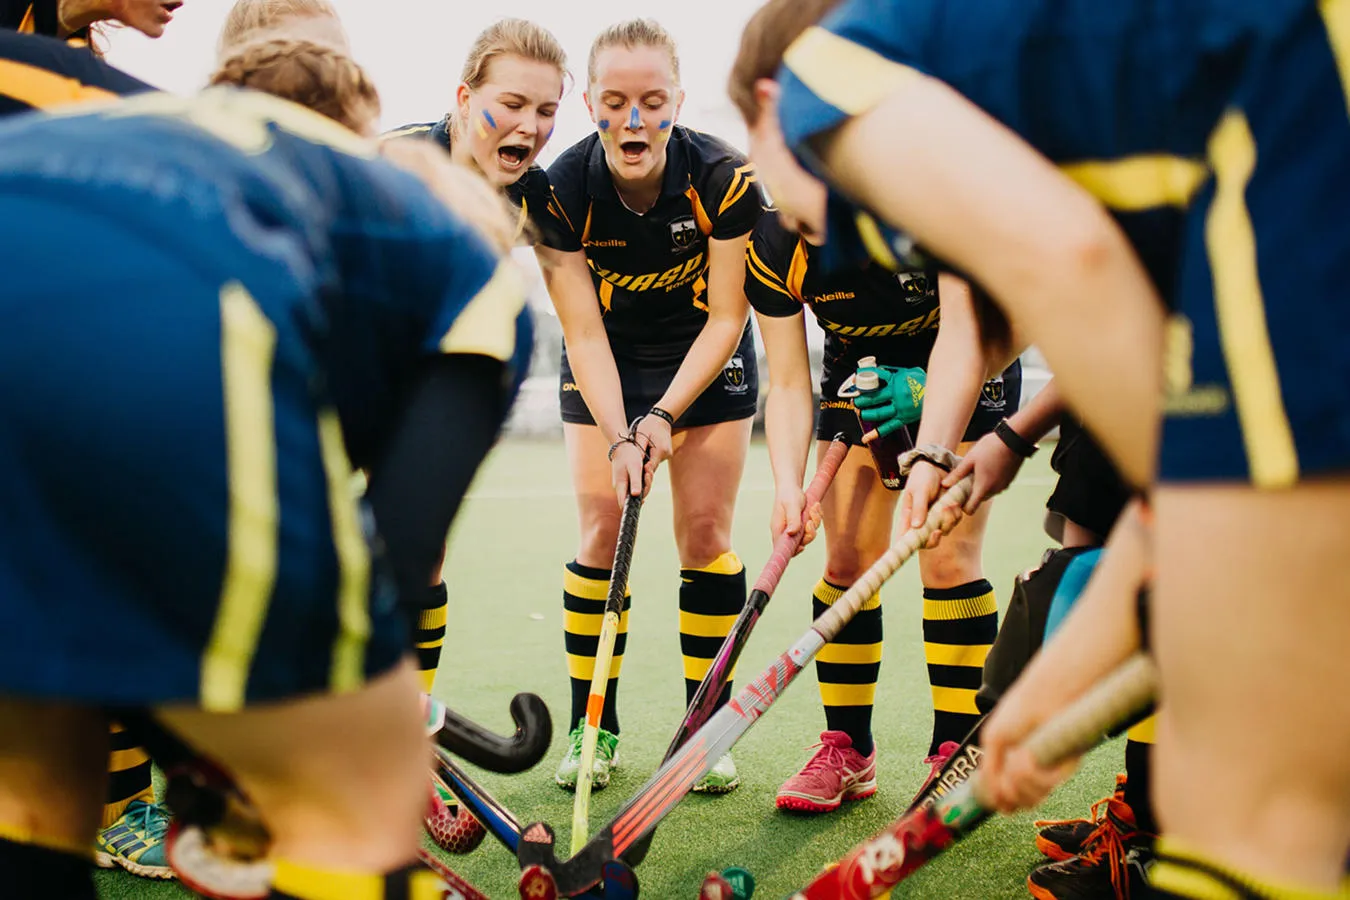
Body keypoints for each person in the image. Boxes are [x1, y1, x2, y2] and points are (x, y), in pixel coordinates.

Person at [733, 0, 1350, 897]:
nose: (807, 240)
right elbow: (1154, 437)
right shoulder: (1049, 114)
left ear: (767, 101)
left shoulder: (824, 83)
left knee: (1254, 798)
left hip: (1295, 115)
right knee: (1281, 805)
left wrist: (1187, 548)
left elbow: (1077, 269)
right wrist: (1049, 685)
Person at [0, 71, 530, 900]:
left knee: (28, 783)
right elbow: (388, 566)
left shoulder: (267, 173)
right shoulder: (469, 265)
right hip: (153, 324)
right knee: (359, 781)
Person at [539, 17, 764, 795]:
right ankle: (591, 727)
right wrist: (619, 431)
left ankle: (704, 731)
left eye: (653, 101)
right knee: (602, 531)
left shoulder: (722, 178)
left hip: (704, 361)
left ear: (678, 102)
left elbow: (727, 318)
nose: (634, 121)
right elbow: (583, 333)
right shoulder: (560, 193)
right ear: (589, 104)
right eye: (614, 101)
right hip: (606, 364)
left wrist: (664, 414)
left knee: (705, 533)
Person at [747, 207, 1019, 814]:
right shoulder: (772, 240)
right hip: (859, 376)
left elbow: (979, 330)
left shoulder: (919, 204)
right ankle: (849, 751)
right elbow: (788, 382)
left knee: (945, 556)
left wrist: (923, 392)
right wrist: (788, 484)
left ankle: (957, 750)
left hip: (966, 359)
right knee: (845, 560)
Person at [383, 17, 568, 695]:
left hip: (423, 387)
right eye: (513, 104)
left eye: (546, 110)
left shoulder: (535, 197)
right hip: (340, 374)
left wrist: (628, 429)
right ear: (464, 99)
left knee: (420, 557)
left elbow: (580, 319)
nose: (530, 125)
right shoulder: (388, 163)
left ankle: (408, 744)